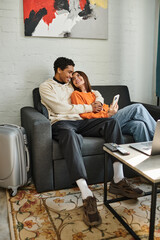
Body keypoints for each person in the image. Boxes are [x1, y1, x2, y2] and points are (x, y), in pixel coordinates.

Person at [39, 57, 144, 227]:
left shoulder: (71, 85)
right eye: (69, 72)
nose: (72, 76)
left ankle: (118, 179)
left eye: (73, 73)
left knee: (112, 122)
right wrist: (89, 108)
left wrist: (99, 103)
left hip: (81, 121)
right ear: (59, 70)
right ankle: (86, 193)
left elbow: (93, 93)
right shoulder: (46, 87)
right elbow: (60, 109)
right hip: (61, 123)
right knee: (69, 134)